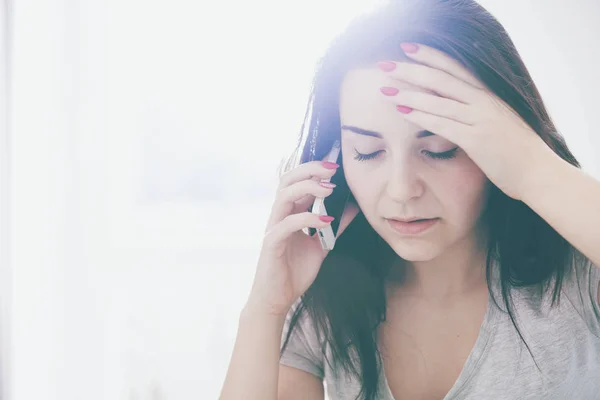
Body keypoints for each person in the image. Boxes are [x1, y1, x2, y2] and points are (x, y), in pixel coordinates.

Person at [219, 0, 600, 399]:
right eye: (367, 151)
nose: (402, 190)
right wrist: (265, 308)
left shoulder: (578, 277)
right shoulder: (323, 303)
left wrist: (532, 166)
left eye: (439, 149)